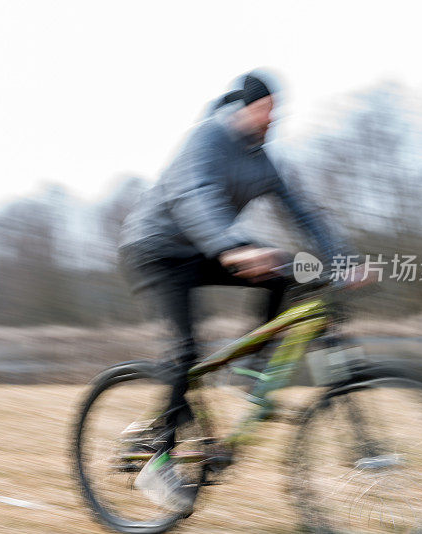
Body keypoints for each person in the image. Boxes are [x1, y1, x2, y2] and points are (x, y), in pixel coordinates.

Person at [118, 70, 343, 512]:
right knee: (185, 352)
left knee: (285, 272)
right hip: (157, 249)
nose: (272, 119)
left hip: (204, 247)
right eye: (265, 110)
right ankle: (157, 461)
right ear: (244, 109)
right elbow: (194, 197)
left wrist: (344, 259)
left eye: (276, 112)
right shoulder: (205, 139)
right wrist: (231, 248)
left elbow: (303, 212)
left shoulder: (261, 159)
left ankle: (251, 370)